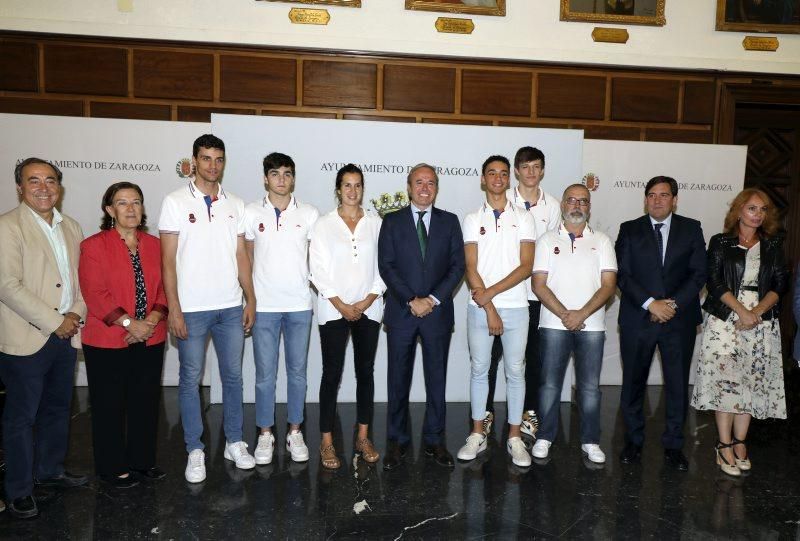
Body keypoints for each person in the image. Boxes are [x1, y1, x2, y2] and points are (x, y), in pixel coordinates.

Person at [159, 134, 257, 483]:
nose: (212, 165)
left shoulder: (237, 204)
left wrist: (251, 299)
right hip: (193, 309)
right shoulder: (173, 201)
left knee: (232, 378)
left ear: (223, 162)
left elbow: (242, 256)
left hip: (231, 306)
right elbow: (167, 262)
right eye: (205, 158)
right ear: (194, 160)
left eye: (218, 159)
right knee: (190, 380)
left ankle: (234, 441)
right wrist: (174, 308)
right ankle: (195, 449)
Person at [0, 158, 88, 519]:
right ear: (20, 187)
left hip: (66, 335)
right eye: (33, 181)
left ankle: (50, 471)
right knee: (21, 417)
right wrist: (55, 321)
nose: (43, 187)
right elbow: (7, 285)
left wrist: (74, 315)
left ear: (60, 187)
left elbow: (82, 283)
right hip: (27, 337)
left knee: (57, 408)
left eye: (50, 180)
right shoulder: (8, 227)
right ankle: (19, 489)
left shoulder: (72, 227)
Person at [691, 188, 788, 477]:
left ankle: (740, 442)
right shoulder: (721, 242)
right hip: (726, 319)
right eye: (752, 209)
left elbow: (780, 285)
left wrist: (755, 313)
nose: (758, 215)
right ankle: (723, 445)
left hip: (762, 321)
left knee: (752, 381)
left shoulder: (773, 244)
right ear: (739, 211)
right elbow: (715, 281)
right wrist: (742, 312)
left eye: (763, 210)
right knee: (727, 383)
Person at [79, 182, 168, 488]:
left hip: (151, 335)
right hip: (107, 339)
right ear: (109, 210)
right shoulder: (92, 246)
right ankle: (111, 466)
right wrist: (131, 325)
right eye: (122, 202)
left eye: (136, 202)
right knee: (109, 405)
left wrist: (151, 320)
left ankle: (143, 462)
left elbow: (165, 288)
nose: (131, 208)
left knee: (146, 402)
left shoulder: (156, 245)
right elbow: (95, 294)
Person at [616, 176, 707, 471]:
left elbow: (698, 274)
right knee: (633, 383)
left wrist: (671, 305)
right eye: (652, 195)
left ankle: (673, 446)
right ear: (645, 199)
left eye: (664, 195)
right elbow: (622, 274)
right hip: (638, 319)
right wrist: (650, 304)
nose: (657, 200)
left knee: (677, 385)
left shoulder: (691, 228)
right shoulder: (629, 229)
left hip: (678, 320)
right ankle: (633, 441)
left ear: (675, 199)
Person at [378, 163, 465, 470]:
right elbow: (386, 266)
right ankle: (397, 442)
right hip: (402, 313)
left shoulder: (450, 221)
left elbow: (458, 267)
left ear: (436, 188)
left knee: (436, 381)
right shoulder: (391, 221)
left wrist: (432, 299)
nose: (425, 187)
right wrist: (411, 299)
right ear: (409, 187)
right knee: (397, 381)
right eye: (419, 182)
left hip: (437, 314)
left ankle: (435, 442)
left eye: (430, 182)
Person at [457, 155, 535, 468]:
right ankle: (477, 434)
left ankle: (515, 438)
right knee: (479, 370)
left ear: (509, 179)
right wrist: (488, 306)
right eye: (492, 173)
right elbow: (470, 267)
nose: (498, 178)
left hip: (517, 307)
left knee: (515, 371)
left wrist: (491, 294)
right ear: (483, 179)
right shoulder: (472, 218)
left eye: (504, 173)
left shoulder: (524, 217)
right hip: (480, 309)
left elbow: (526, 266)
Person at [531, 184, 617, 464]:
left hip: (591, 327)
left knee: (589, 387)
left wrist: (580, 314)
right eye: (571, 200)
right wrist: (566, 314)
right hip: (554, 324)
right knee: (549, 385)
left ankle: (591, 440)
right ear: (563, 205)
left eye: (583, 201)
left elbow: (608, 286)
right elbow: (539, 285)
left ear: (589, 207)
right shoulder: (546, 240)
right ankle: (544, 436)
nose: (577, 205)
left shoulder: (602, 241)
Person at [244, 152, 319, 465]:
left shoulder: (310, 213)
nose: (282, 179)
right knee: (264, 375)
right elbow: (245, 260)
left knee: (298, 374)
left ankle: (295, 430)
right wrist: (250, 300)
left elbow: (315, 260)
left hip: (300, 305)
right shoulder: (250, 212)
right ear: (265, 178)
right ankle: (264, 433)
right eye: (275, 173)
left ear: (293, 178)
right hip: (264, 307)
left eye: (287, 174)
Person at [309, 164, 385, 469]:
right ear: (338, 190)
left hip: (369, 308)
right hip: (333, 309)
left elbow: (386, 266)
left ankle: (363, 436)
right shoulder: (324, 224)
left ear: (363, 189)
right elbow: (318, 270)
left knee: (365, 373)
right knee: (331, 374)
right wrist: (342, 305)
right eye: (347, 185)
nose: (352, 191)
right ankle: (326, 441)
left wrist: (367, 300)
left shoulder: (376, 223)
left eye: (358, 185)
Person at [483, 146, 560, 437]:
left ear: (542, 170)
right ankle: (486, 412)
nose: (530, 172)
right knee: (491, 358)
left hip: (535, 296)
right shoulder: (502, 200)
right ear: (516, 171)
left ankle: (528, 412)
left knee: (531, 359)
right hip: (503, 296)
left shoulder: (552, 206)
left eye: (536, 167)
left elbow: (554, 251)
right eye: (525, 167)